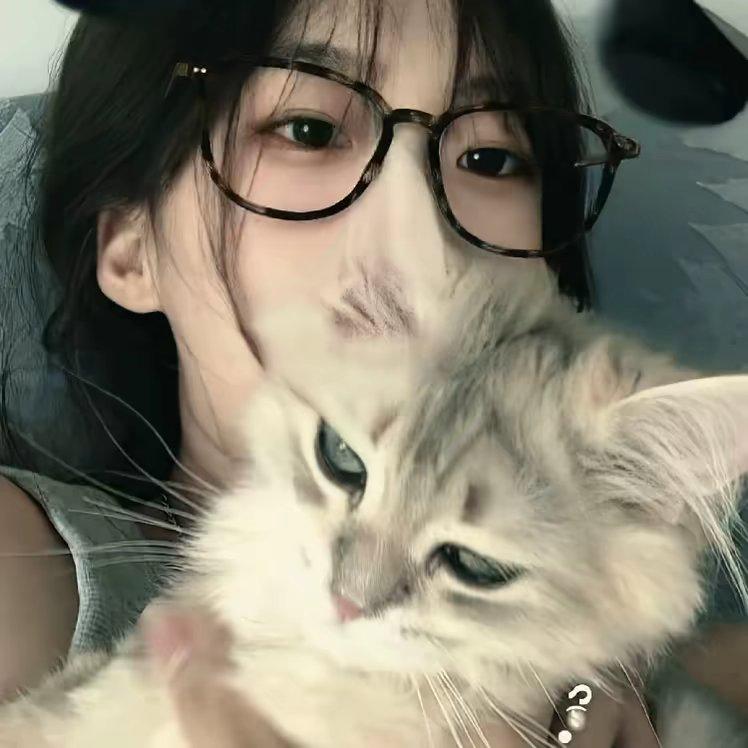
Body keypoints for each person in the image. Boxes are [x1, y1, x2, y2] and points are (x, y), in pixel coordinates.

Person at [0, 0, 744, 745]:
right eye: (309, 130)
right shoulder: (24, 558)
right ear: (131, 252)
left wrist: (580, 668)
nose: (410, 219)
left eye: (488, 159)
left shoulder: (683, 658)